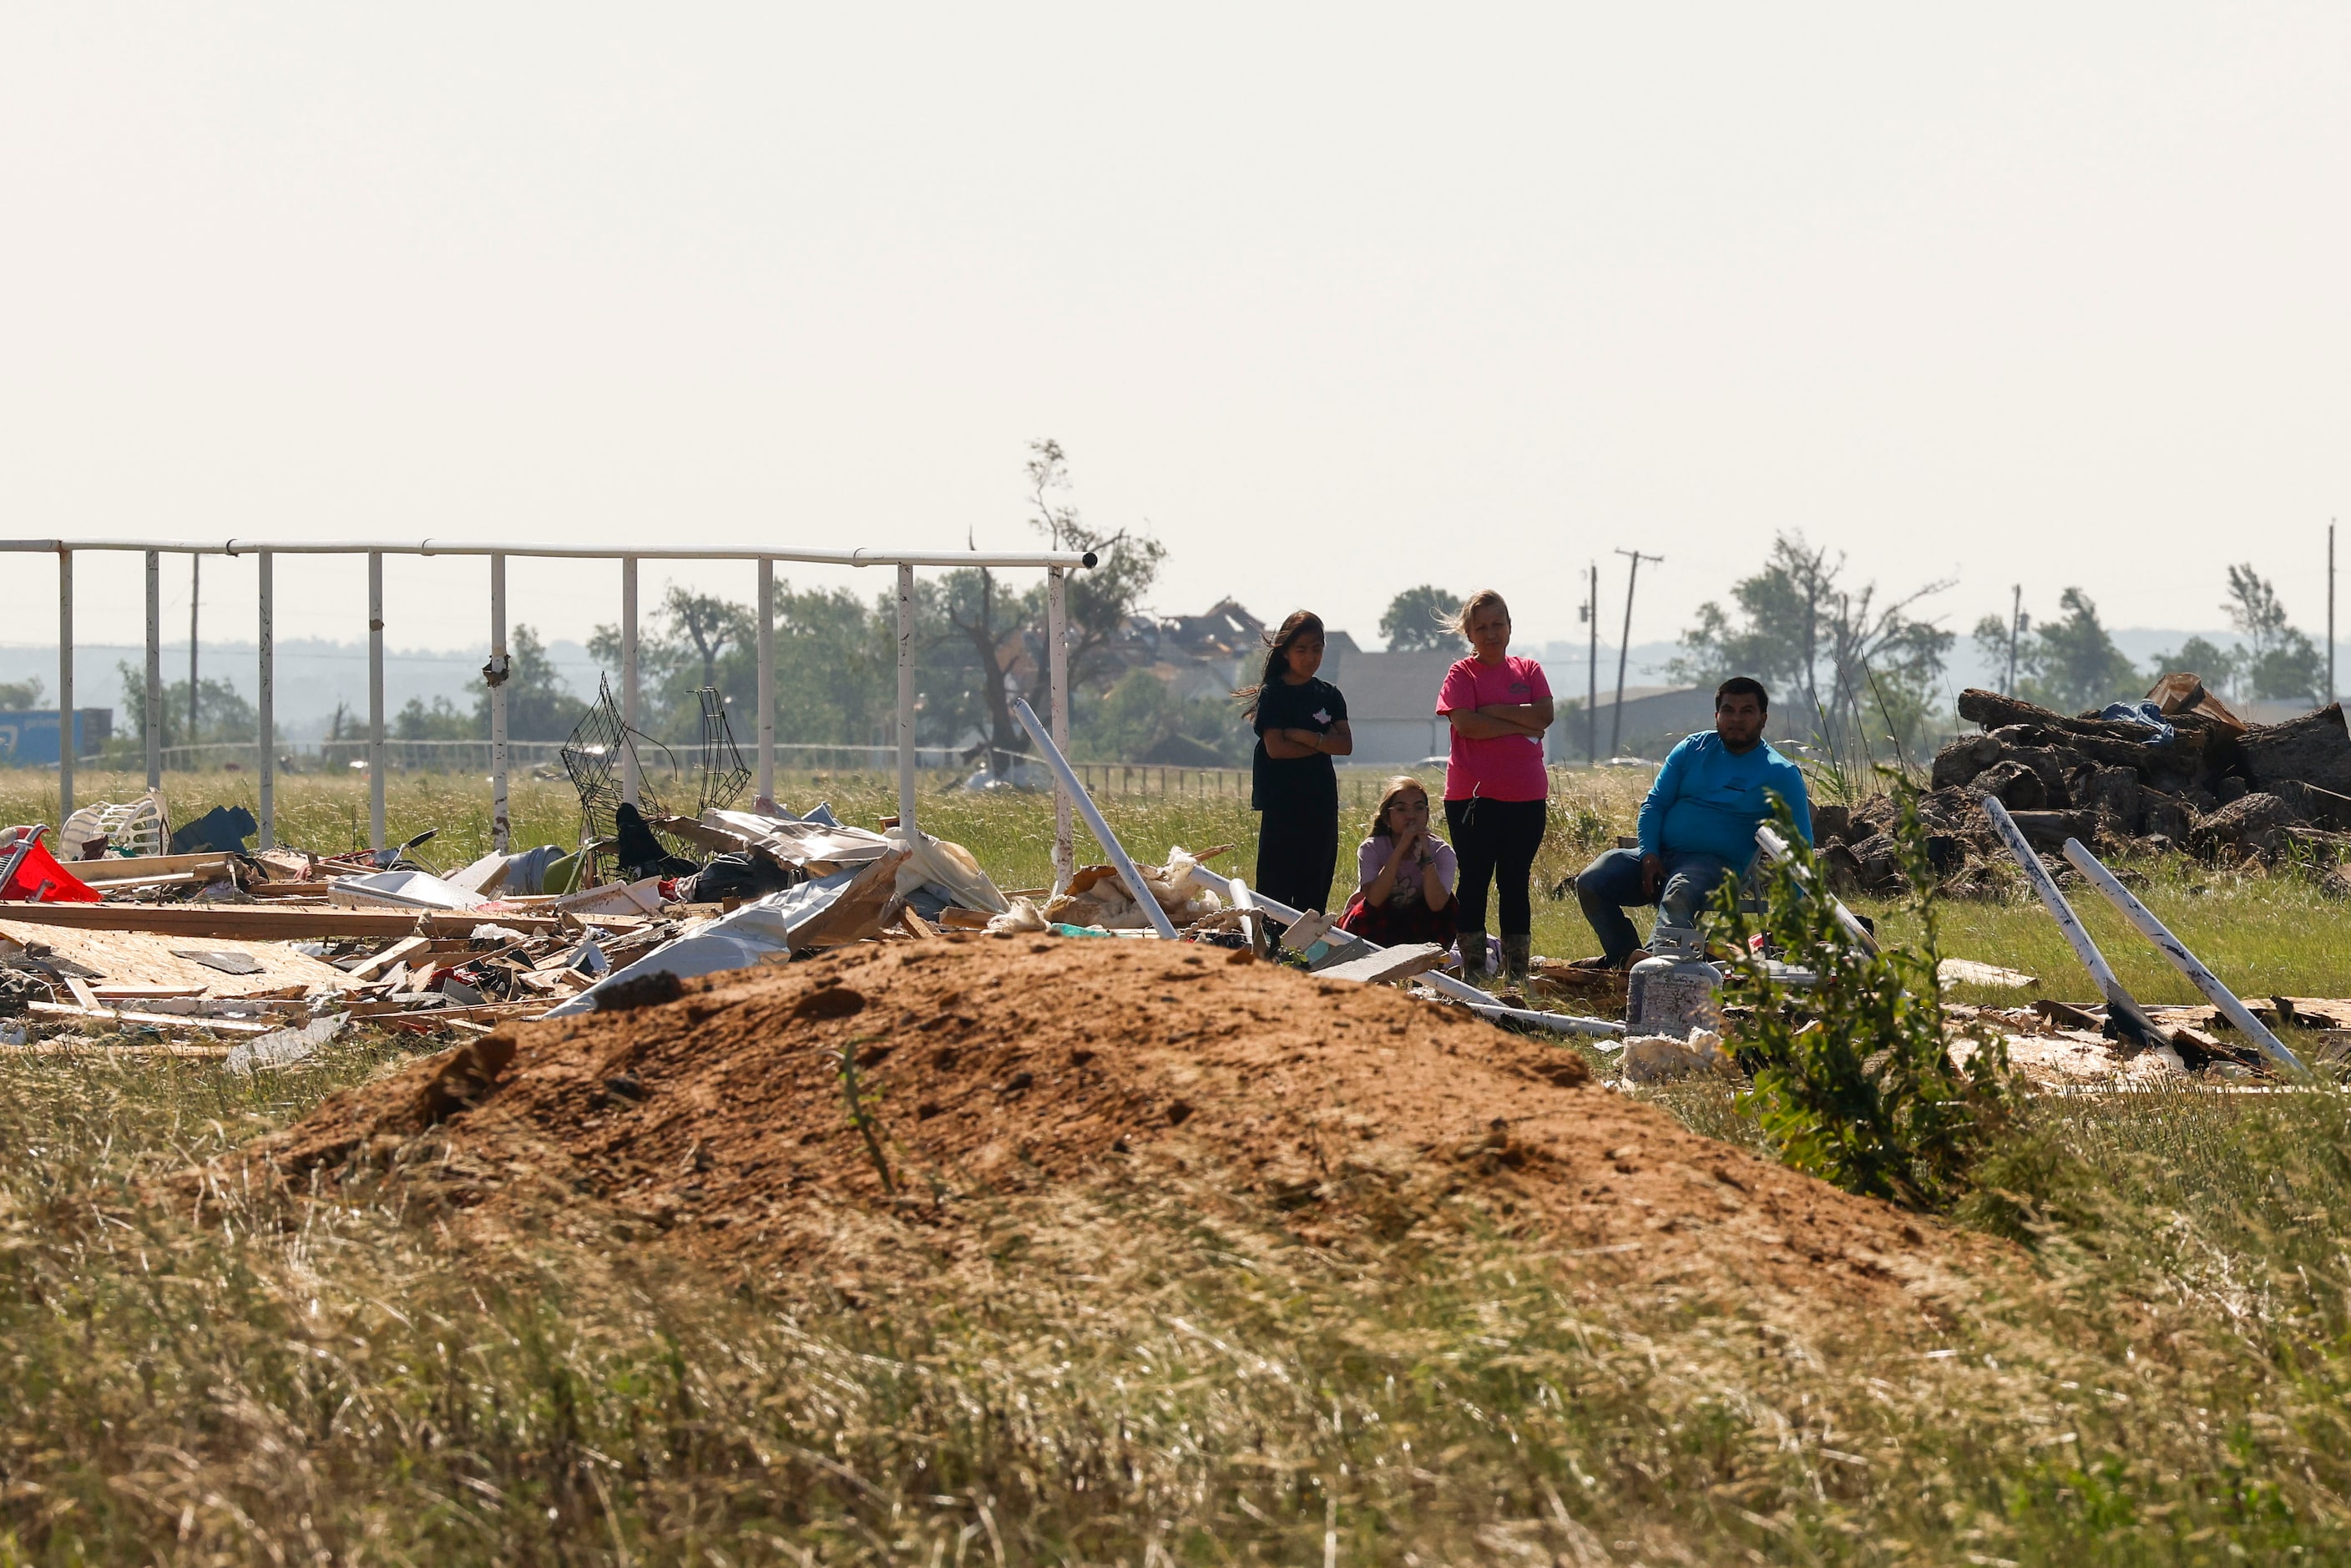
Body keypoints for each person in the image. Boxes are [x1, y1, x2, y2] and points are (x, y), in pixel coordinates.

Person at [1573, 675, 1812, 968]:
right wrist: (1648, 854)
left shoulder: (1780, 773)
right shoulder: (1692, 749)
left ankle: (1653, 969)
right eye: (1728, 710)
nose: (1736, 719)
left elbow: (1801, 846)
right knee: (1592, 879)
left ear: (1763, 719)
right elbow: (1654, 805)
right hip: (1661, 856)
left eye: (1747, 711)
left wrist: (1791, 911)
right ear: (1716, 716)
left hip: (1716, 867)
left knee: (1678, 891)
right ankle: (1626, 959)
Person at [1435, 589, 1552, 983]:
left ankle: (1516, 974)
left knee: (1515, 882)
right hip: (1473, 797)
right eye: (1481, 626)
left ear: (1509, 627)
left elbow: (1545, 715)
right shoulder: (1461, 675)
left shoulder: (1529, 670)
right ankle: (1474, 971)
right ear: (1469, 632)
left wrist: (1495, 713)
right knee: (1475, 880)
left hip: (1527, 797)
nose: (1491, 633)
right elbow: (1466, 724)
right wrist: (1521, 722)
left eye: (1497, 624)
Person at [1241, 610, 1352, 914]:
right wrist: (1322, 742)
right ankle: (1274, 957)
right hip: (1282, 808)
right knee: (1275, 895)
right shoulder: (1273, 694)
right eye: (1301, 650)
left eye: (1317, 649)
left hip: (1321, 805)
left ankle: (1309, 958)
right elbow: (1276, 748)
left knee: (1314, 893)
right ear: (1286, 651)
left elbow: (1345, 745)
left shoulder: (1329, 695)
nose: (1310, 657)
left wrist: (1303, 736)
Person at [1336, 775, 1458, 947]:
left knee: (1449, 906)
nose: (1411, 816)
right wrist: (1400, 849)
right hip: (1379, 921)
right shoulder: (1371, 848)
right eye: (1401, 809)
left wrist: (1426, 857)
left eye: (1419, 808)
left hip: (1420, 922)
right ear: (1387, 817)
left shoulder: (1441, 851)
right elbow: (1374, 899)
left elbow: (1438, 904)